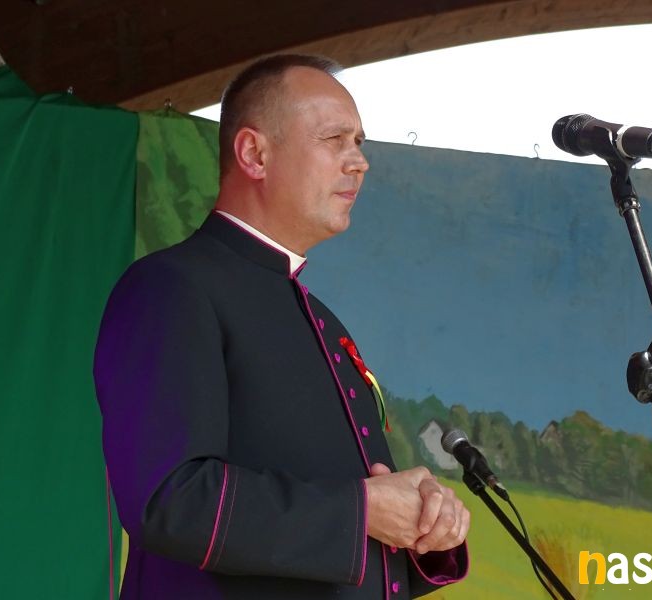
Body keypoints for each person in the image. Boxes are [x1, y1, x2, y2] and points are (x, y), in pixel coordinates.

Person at [94, 54, 469, 599]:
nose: (359, 162)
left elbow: (349, 544)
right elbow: (170, 499)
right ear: (254, 153)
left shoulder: (323, 322)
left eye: (359, 142)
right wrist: (360, 510)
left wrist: (422, 524)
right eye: (335, 139)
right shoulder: (171, 287)